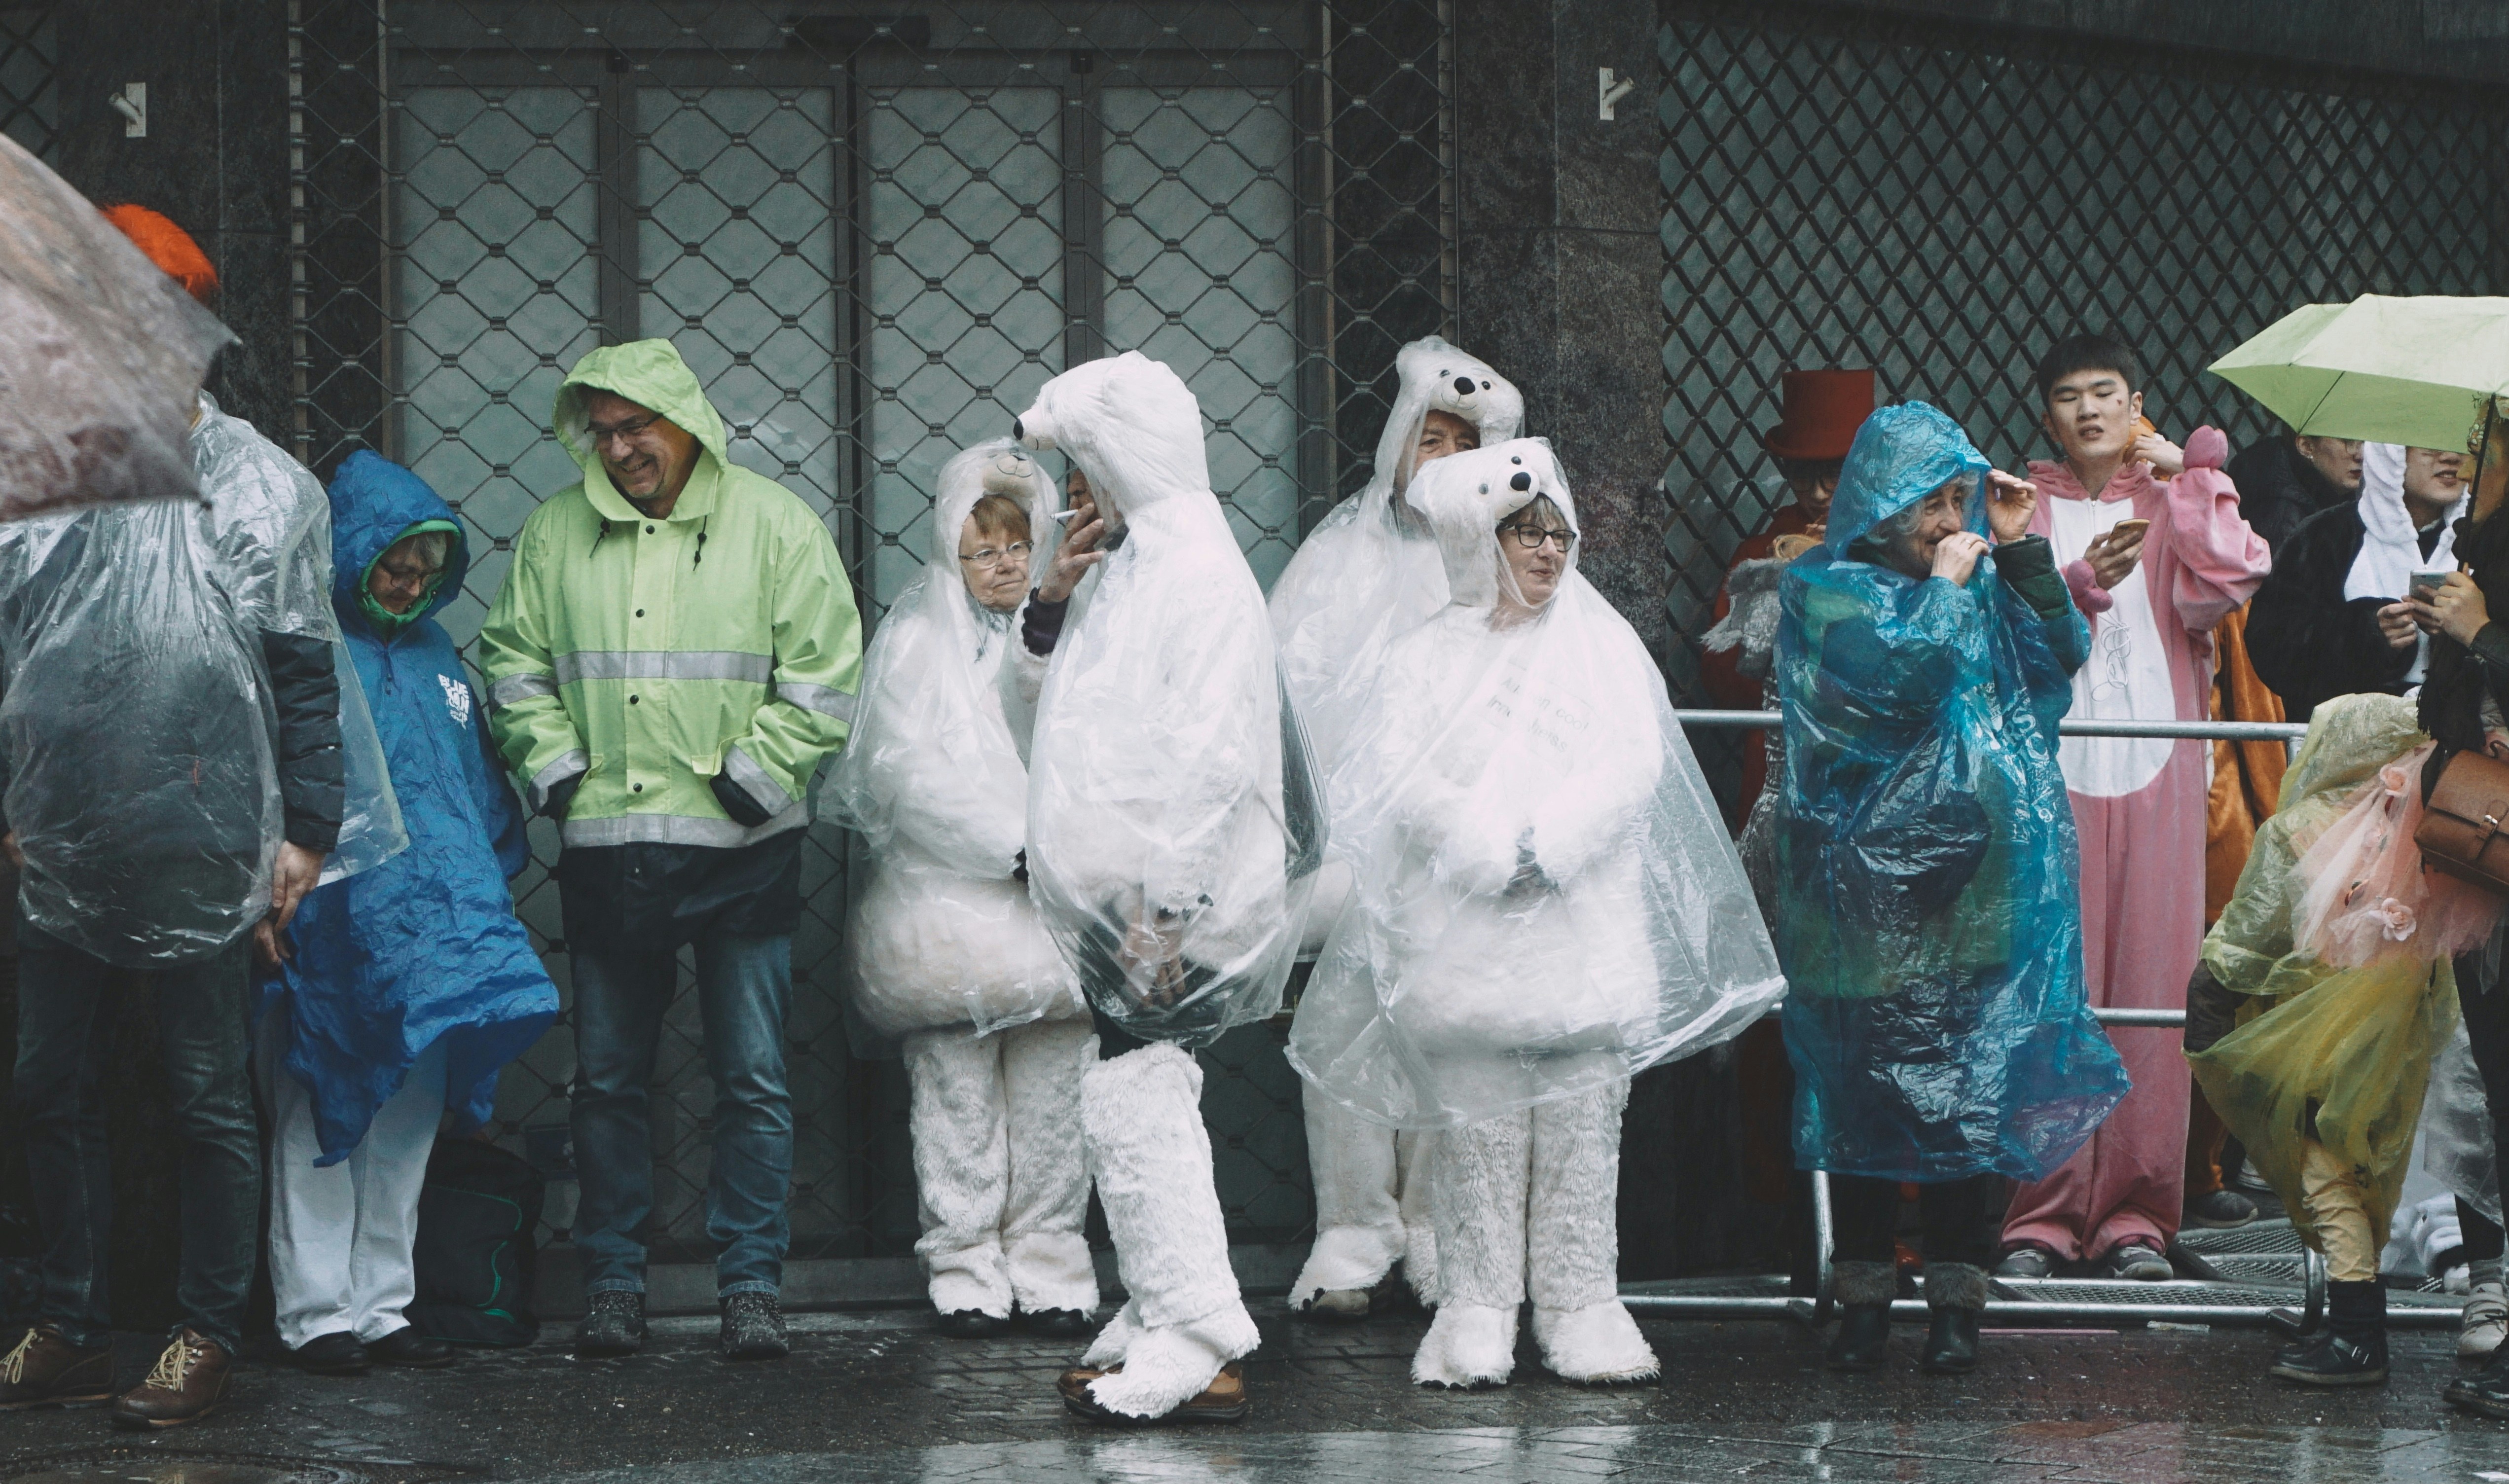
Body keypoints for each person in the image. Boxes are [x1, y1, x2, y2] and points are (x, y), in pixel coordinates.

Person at [0, 206, 400, 1427]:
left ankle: (205, 1331)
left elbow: (302, 674)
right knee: (47, 1081)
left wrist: (304, 832)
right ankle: (71, 1320)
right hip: (54, 835)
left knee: (204, 1093)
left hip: (204, 836)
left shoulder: (261, 488)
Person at [1289, 439, 1782, 1388]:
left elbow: (1633, 762)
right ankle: (1475, 1307)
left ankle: (1581, 1301)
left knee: (1584, 1142)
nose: (1548, 551)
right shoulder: (1422, 656)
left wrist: (1550, 841)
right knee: (1473, 1146)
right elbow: (1400, 774)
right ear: (1479, 540)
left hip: (1583, 939)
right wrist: (1483, 843)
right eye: (1525, 533)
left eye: (1558, 534)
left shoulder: (1600, 645)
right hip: (1465, 941)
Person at [476, 339, 862, 1361]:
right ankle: (612, 1278)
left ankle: (751, 1284)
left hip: (743, 847)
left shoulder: (774, 524)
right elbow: (512, 663)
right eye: (601, 432)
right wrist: (559, 773)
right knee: (607, 1079)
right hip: (611, 843)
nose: (619, 449)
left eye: (635, 426)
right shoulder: (556, 530)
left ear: (684, 422)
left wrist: (754, 778)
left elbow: (825, 671)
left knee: (753, 1078)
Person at [1775, 401, 2127, 1376]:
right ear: (1881, 503)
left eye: (1953, 497)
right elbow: (1894, 685)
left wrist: (2018, 549)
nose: (1944, 518)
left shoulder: (1974, 580)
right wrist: (1941, 588)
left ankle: (1954, 1304)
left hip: (1975, 881)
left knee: (1965, 1091)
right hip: (1858, 888)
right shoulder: (1822, 590)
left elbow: (2058, 653)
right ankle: (1859, 1302)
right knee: (1861, 1094)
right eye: (1926, 500)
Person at [1010, 352, 1319, 1425]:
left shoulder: (1190, 574)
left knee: (1143, 1093)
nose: (1073, 493)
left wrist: (1164, 911)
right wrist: (1052, 598)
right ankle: (1158, 1306)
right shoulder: (1136, 564)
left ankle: (1197, 1330)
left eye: (1083, 467)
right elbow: (1058, 723)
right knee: (1128, 1086)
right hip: (1128, 896)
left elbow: (1206, 760)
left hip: (1166, 903)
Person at [257, 452, 560, 1376]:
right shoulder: (312, 652)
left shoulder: (435, 657)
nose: (410, 583)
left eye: (427, 568)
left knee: (406, 1116)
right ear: (353, 554)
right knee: (324, 1104)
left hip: (437, 931)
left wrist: (486, 887)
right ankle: (316, 1312)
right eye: (394, 563)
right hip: (335, 924)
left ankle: (382, 1305)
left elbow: (476, 787)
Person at [1998, 335, 2270, 1284]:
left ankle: (2137, 1215)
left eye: (2103, 392)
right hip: (2050, 772)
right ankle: (2037, 1212)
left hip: (2159, 771)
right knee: (2050, 989)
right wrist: (2074, 586)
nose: (2087, 410)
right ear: (2047, 413)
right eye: (2068, 395)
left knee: (2152, 995)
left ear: (2135, 400)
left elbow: (2230, 579)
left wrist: (2192, 477)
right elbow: (2001, 638)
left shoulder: (2168, 500)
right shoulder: (2019, 507)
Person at [1267, 336, 1523, 1322]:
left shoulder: (1502, 562)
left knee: (1446, 1040)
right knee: (1341, 1034)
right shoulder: (1336, 556)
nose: (1444, 457)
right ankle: (1352, 1223)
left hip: (1455, 849)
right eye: (1430, 438)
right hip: (1347, 850)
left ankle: (1431, 1224)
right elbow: (1287, 697)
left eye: (1464, 442)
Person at [822, 440, 1097, 1340]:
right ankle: (965, 1258)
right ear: (951, 550)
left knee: (1057, 1102)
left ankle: (1050, 1256)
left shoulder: (1080, 632)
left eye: (1018, 545)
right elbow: (903, 776)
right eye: (983, 550)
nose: (1004, 564)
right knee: (956, 1101)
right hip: (951, 920)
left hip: (1057, 916)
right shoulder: (913, 644)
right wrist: (1014, 849)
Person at [2186, 692, 2499, 1386]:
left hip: (2307, 1036)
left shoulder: (2299, 828)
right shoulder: (2425, 831)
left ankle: (2357, 1332)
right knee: (2361, 1173)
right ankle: (2350, 1317)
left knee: (2323, 1171)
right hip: (2398, 1041)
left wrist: (2208, 1003)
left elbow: (2247, 934)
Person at [1700, 369, 1874, 829]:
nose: (1816, 493)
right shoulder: (1759, 555)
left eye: (1833, 474)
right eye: (1801, 474)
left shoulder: (1900, 548)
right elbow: (1725, 683)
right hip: (1781, 768)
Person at [2250, 444, 2468, 722]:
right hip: (2347, 735)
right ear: (2391, 453)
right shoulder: (2326, 535)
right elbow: (2274, 649)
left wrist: (2466, 629)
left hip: (2462, 735)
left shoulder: (2490, 542)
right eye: (2431, 446)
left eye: (2462, 444)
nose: (2450, 457)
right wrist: (2368, 634)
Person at [2226, 428, 2365, 552]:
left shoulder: (2329, 496)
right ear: (2306, 446)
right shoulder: (2285, 518)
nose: (2360, 455)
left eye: (2364, 441)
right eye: (2348, 442)